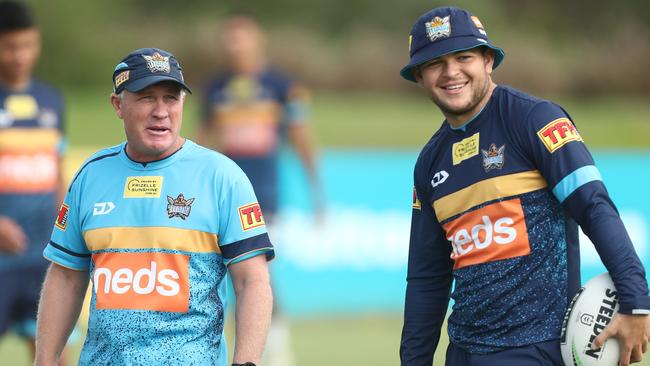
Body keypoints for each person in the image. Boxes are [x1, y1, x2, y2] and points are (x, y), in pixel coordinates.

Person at [399, 6, 650, 366]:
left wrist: (637, 302)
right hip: (464, 352)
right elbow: (427, 277)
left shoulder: (535, 119)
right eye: (435, 63)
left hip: (536, 349)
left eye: (463, 57)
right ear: (420, 77)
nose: (451, 72)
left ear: (488, 61)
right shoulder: (430, 162)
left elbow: (595, 208)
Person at [34, 48, 274, 366]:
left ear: (183, 104)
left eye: (170, 98)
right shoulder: (91, 175)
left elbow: (252, 281)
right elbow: (65, 276)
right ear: (118, 105)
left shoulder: (222, 177)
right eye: (147, 97)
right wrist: (45, 360)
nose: (161, 111)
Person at [200, 16, 321, 366]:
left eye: (241, 39)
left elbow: (302, 138)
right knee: (226, 280)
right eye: (230, 40)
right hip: (221, 199)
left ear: (258, 41)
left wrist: (316, 191)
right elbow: (202, 140)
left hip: (264, 198)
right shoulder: (216, 88)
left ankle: (278, 352)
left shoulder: (283, 85)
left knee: (258, 274)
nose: (235, 46)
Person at [0, 1, 69, 363]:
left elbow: (56, 169)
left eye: (27, 45)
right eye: (11, 46)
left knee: (54, 352)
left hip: (44, 253)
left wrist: (66, 227)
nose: (20, 55)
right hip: (2, 256)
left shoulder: (51, 100)